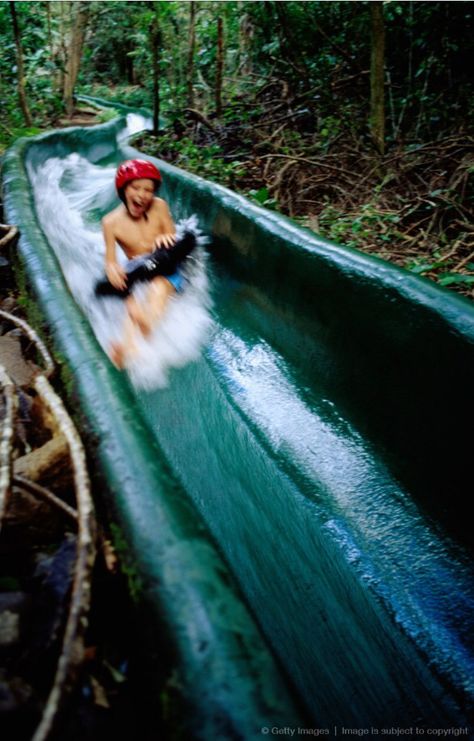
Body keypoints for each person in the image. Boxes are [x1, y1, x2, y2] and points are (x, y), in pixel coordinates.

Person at [100, 159, 186, 368]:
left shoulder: (159, 207)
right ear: (123, 189)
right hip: (139, 271)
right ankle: (128, 348)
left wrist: (164, 238)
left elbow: (172, 236)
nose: (141, 195)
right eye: (136, 188)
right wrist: (112, 270)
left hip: (165, 269)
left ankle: (148, 324)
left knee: (157, 289)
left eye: (148, 190)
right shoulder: (110, 223)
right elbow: (110, 260)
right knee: (132, 305)